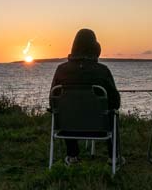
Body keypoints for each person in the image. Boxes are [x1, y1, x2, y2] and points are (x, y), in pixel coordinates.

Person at [50, 28, 120, 165]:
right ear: (94, 48)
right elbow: (115, 102)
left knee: (67, 110)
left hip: (67, 129)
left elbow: (53, 102)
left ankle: (72, 155)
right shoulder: (102, 71)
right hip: (100, 129)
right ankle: (113, 157)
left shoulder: (61, 70)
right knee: (113, 113)